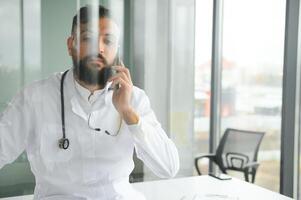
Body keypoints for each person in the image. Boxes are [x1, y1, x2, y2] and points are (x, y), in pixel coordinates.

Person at [0, 5, 179, 200]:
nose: (99, 48)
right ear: (71, 45)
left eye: (108, 41)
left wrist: (128, 112)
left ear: (116, 50)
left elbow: (168, 168)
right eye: (88, 38)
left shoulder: (134, 98)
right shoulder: (35, 98)